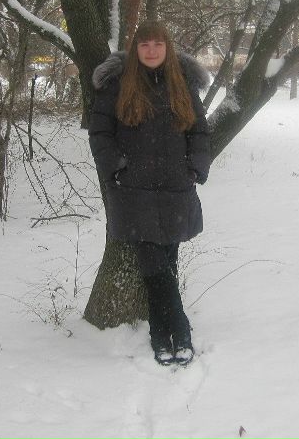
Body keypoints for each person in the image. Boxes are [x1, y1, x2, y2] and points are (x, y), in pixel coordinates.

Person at [88, 19, 211, 366]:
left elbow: (199, 132)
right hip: (134, 190)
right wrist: (117, 168)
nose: (152, 50)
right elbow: (100, 133)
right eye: (145, 44)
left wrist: (194, 168)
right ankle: (177, 331)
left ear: (167, 47)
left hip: (175, 187)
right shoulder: (116, 84)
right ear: (136, 48)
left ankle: (163, 334)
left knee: (166, 263)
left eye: (158, 44)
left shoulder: (182, 82)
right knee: (156, 266)